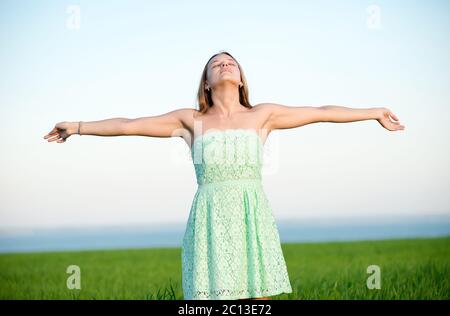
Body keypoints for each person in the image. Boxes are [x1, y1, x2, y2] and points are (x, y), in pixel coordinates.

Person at [43, 51, 405, 300]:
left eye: (231, 62)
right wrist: (76, 126)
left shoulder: (263, 114)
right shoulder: (190, 119)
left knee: (257, 299)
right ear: (206, 82)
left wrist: (373, 112)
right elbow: (128, 125)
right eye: (217, 64)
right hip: (210, 217)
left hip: (252, 213)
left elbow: (321, 112)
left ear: (242, 79)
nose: (225, 65)